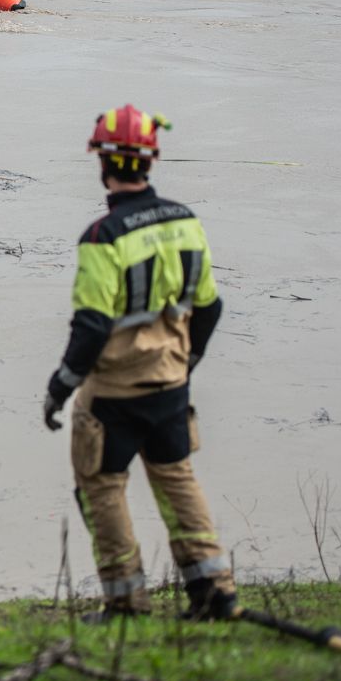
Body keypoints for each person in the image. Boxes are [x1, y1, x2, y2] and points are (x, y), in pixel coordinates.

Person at [41, 105, 236, 623]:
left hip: (113, 397)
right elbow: (210, 306)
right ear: (151, 161)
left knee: (101, 489)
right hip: (171, 386)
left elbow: (91, 328)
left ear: (101, 160)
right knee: (177, 481)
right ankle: (213, 591)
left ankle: (126, 602)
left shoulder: (102, 238)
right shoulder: (186, 222)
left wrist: (59, 387)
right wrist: (187, 360)